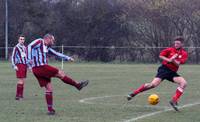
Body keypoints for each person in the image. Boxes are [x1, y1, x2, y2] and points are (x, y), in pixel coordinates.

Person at [27, 34, 89, 115]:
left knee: (49, 89)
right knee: (60, 73)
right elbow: (29, 46)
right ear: (48, 39)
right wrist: (28, 60)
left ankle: (50, 110)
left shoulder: (47, 47)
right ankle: (77, 85)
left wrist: (67, 57)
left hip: (37, 69)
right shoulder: (39, 41)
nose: (53, 42)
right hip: (40, 67)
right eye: (52, 40)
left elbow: (56, 53)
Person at [126, 36, 188, 111]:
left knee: (183, 83)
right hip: (164, 69)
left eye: (178, 43)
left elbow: (178, 64)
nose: (176, 45)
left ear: (182, 44)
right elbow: (161, 55)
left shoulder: (184, 53)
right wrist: (169, 59)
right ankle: (133, 94)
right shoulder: (170, 50)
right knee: (152, 85)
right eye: (175, 43)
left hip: (172, 72)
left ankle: (174, 100)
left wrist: (173, 60)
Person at [11, 35, 28, 100]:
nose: (22, 40)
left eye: (23, 39)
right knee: (20, 80)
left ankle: (21, 95)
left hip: (24, 65)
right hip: (19, 65)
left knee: (23, 80)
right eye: (21, 39)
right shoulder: (16, 47)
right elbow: (13, 57)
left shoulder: (24, 47)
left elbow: (25, 57)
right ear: (18, 40)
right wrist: (14, 65)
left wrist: (28, 65)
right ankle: (18, 96)